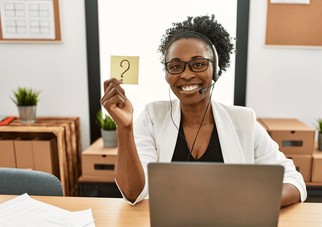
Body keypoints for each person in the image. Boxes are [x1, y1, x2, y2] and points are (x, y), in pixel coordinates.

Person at [101, 15, 307, 207]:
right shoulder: (153, 116)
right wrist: (124, 128)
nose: (187, 75)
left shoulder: (243, 120)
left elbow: (293, 181)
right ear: (167, 74)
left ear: (215, 70)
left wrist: (254, 202)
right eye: (175, 66)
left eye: (198, 64)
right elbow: (133, 193)